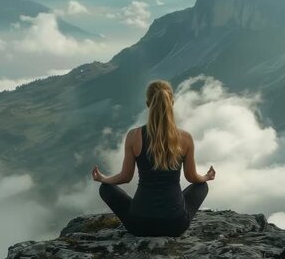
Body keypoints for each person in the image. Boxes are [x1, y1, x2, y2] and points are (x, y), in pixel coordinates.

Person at [91, 79, 216, 237]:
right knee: (201, 186)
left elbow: (125, 177)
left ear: (148, 103)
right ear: (172, 102)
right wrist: (206, 176)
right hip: (175, 225)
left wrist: (103, 178)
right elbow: (192, 177)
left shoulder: (134, 136)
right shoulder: (185, 138)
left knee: (106, 188)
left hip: (139, 225)